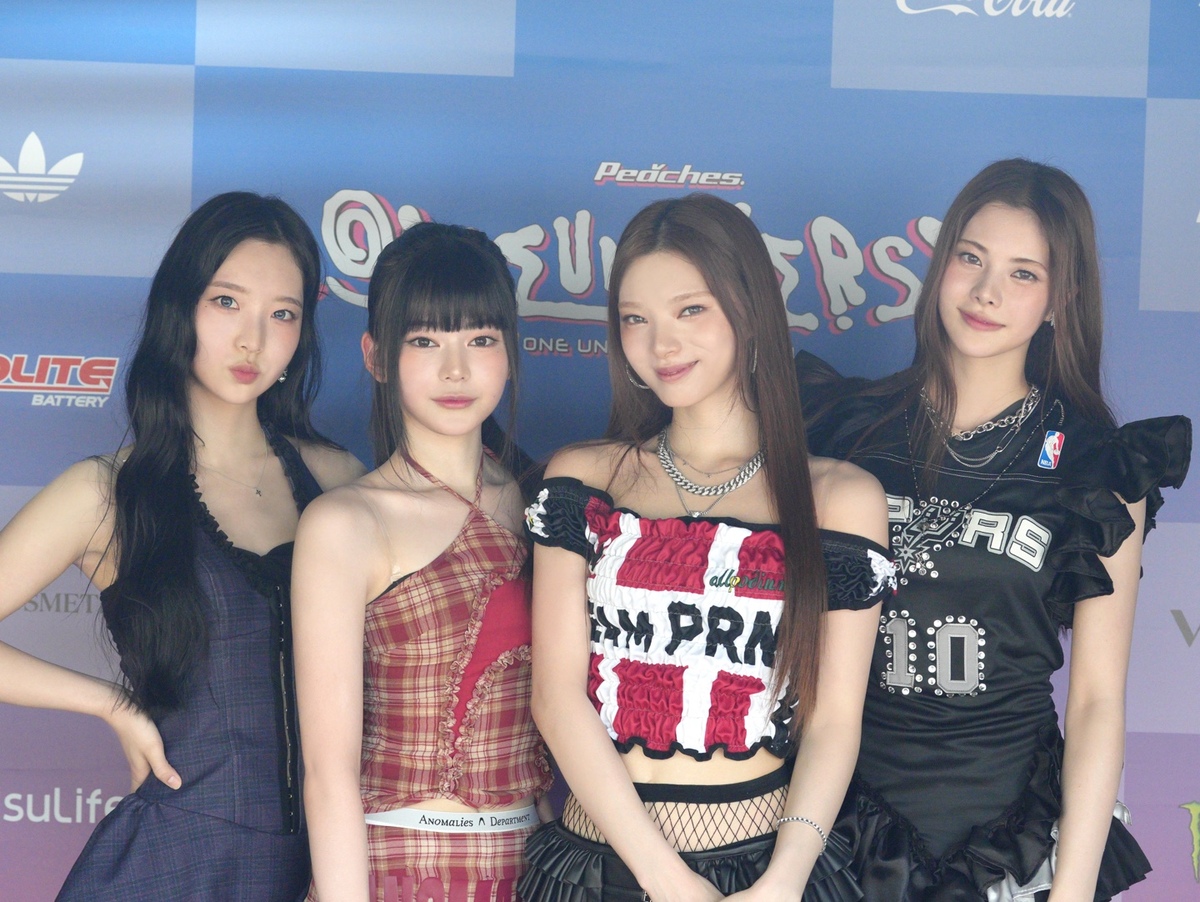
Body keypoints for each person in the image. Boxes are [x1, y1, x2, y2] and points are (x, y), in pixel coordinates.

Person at [795, 158, 1192, 901]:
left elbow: (1097, 700)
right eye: (970, 258)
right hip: (840, 827)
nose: (986, 292)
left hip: (1009, 838)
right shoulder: (842, 429)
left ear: (1060, 300)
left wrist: (1070, 892)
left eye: (1022, 273)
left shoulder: (1098, 465)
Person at [520, 193, 896, 902]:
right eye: (636, 319)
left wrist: (785, 879)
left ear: (749, 310)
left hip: (761, 871)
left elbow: (834, 721)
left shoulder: (839, 498)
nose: (661, 344)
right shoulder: (583, 479)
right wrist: (665, 879)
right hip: (600, 866)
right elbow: (556, 696)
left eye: (690, 310)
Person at [0, 192, 365, 900]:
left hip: (328, 867)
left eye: (282, 314)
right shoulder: (105, 494)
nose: (253, 339)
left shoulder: (339, 481)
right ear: (180, 308)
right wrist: (110, 704)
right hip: (171, 864)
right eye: (227, 302)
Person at [293, 222, 552, 902]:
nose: (456, 370)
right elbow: (328, 772)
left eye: (481, 340)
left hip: (533, 866)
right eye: (425, 341)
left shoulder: (540, 502)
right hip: (395, 868)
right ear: (377, 357)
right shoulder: (346, 522)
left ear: (510, 350)